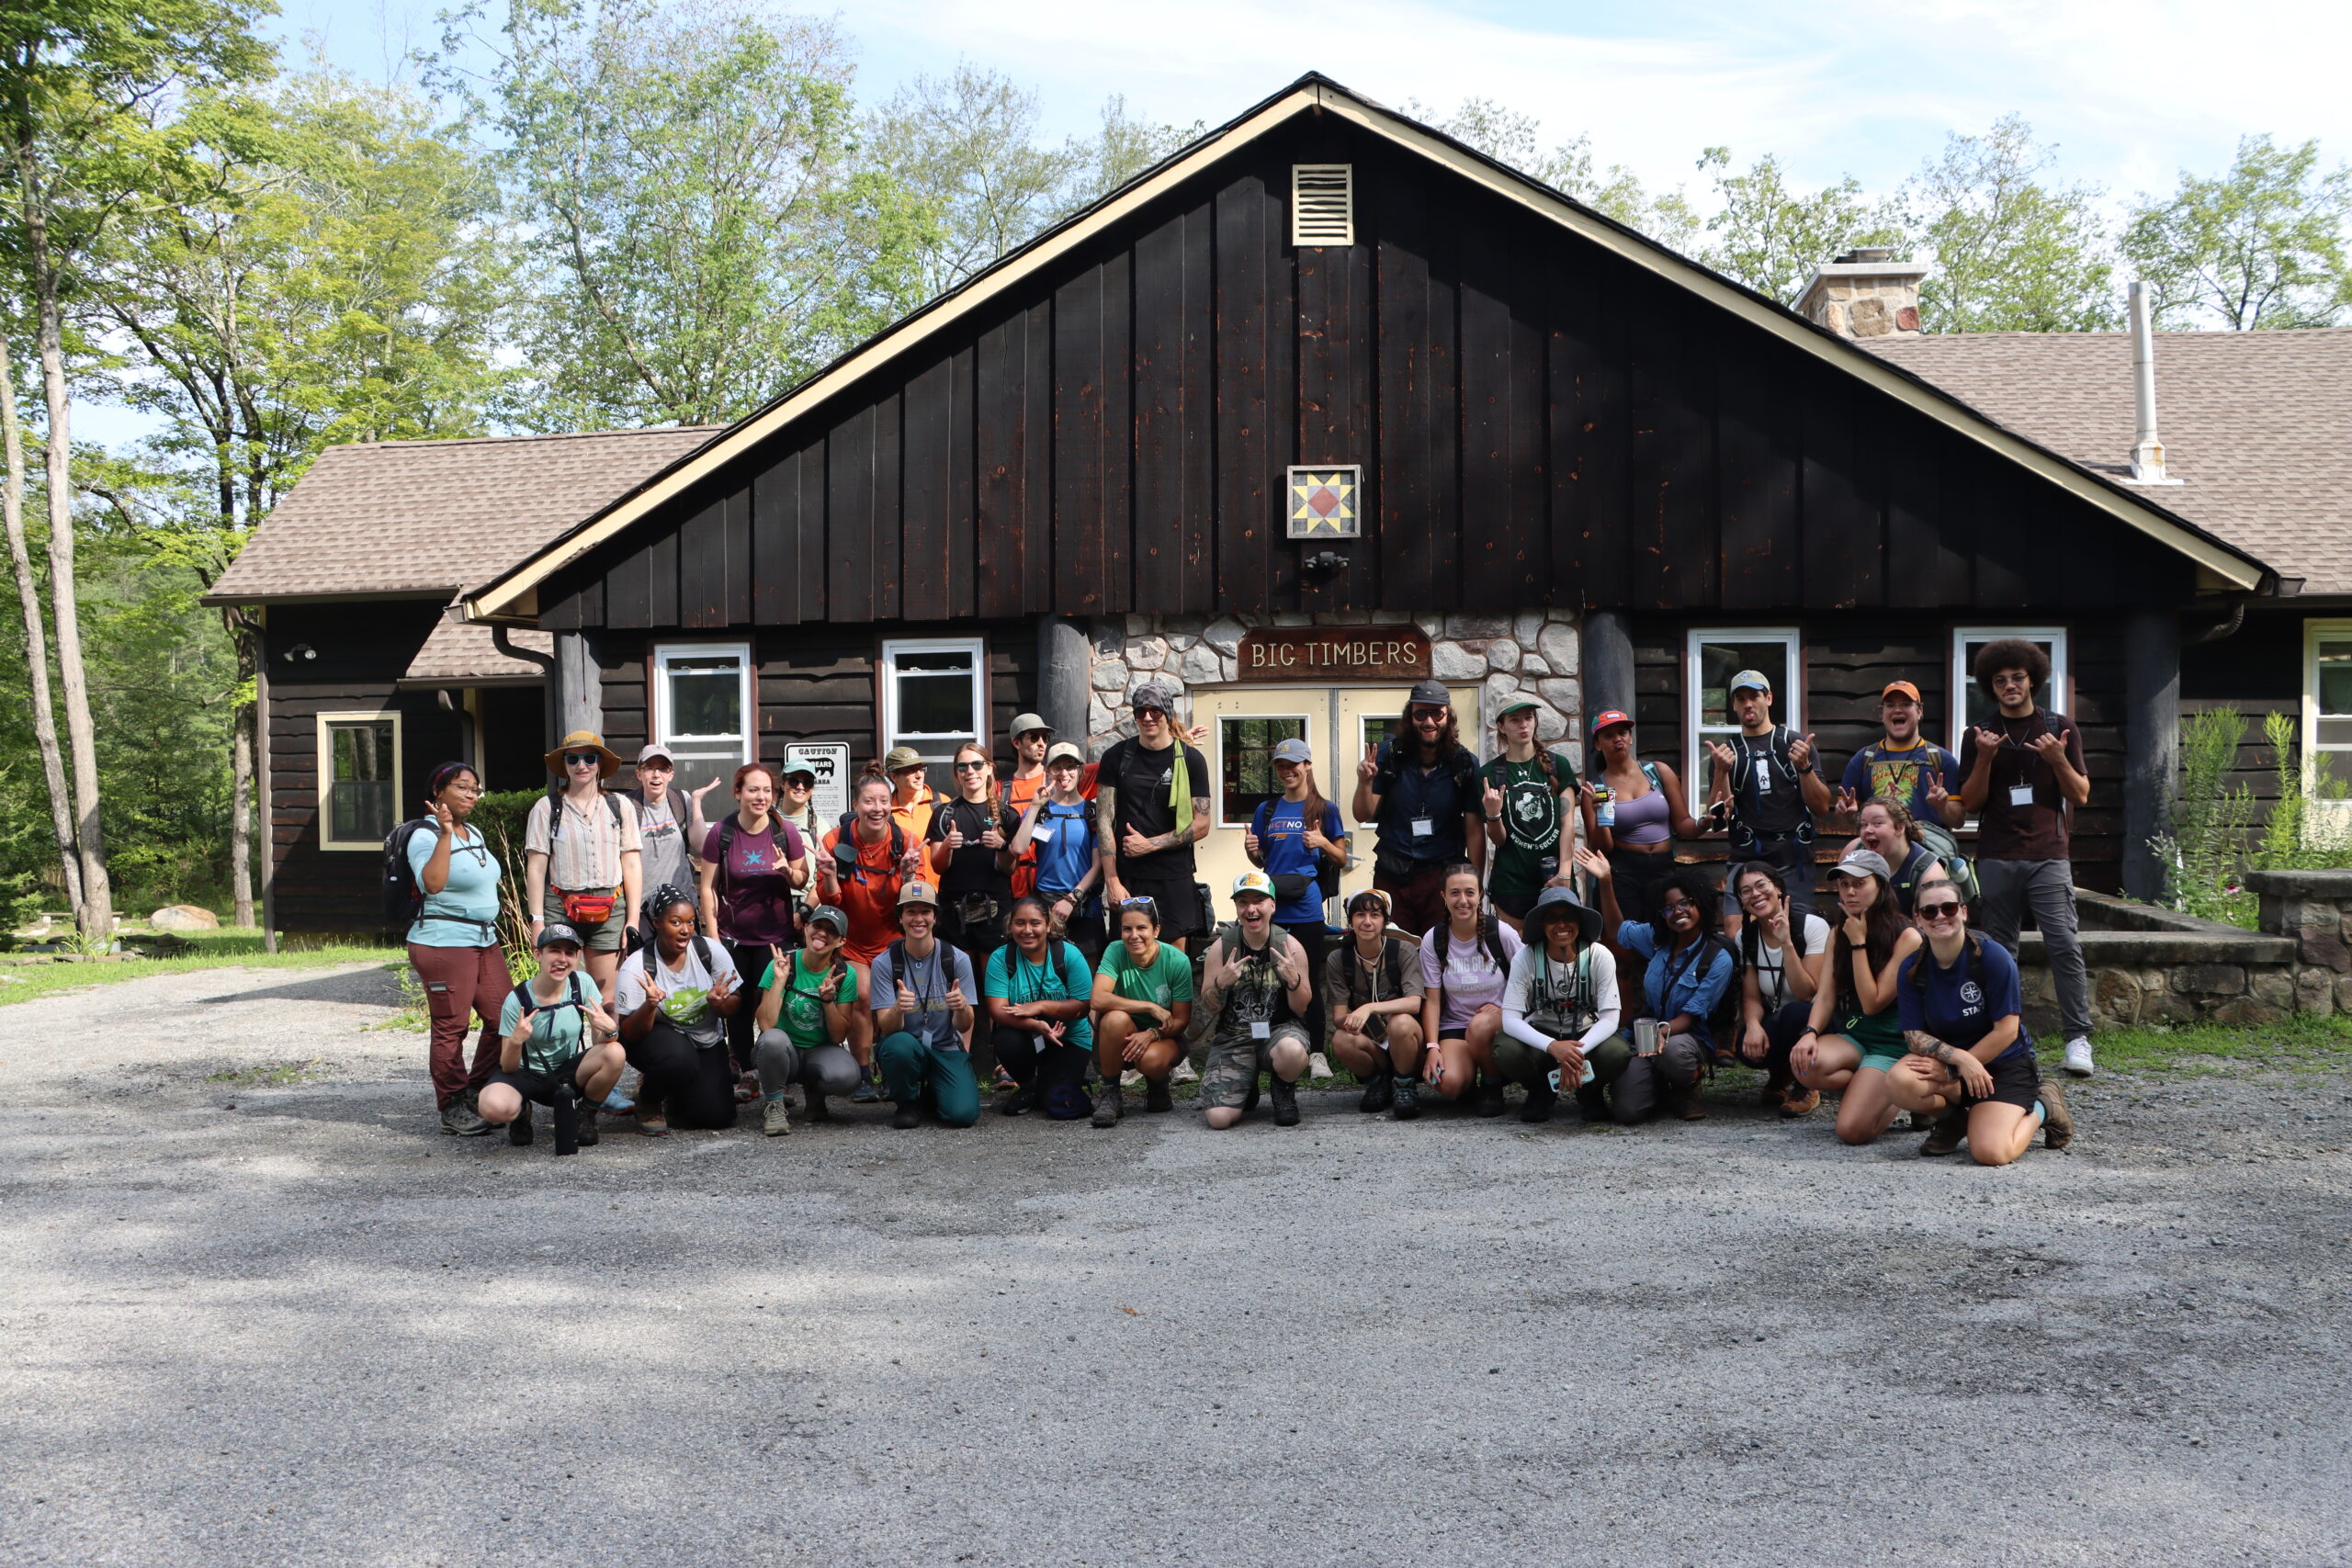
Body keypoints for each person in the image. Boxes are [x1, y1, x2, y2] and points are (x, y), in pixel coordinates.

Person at [1958, 637, 2095, 1079]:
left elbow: (2081, 794)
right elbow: (1972, 803)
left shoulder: (2060, 727)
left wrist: (2057, 758)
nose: (2010, 686)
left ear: (2033, 679)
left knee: (2064, 945)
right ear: (1990, 686)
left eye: (2017, 678)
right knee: (1999, 952)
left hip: (2048, 856)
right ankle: (2004, 1036)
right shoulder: (1978, 734)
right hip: (1997, 855)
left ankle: (2078, 1038)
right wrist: (1984, 758)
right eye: (2000, 680)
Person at [1888, 886, 2074, 1163]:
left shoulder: (1992, 957)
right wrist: (1957, 1062)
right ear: (1918, 919)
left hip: (2003, 1065)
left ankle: (2044, 1104)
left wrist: (1958, 1067)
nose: (1940, 916)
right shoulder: (1913, 968)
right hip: (1955, 1064)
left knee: (1992, 1153)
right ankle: (1955, 1120)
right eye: (1929, 911)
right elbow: (1914, 1036)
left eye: (1948, 908)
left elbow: (2007, 1031)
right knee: (1899, 1082)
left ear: (1963, 912)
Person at [1579, 855, 1736, 1124]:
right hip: (1646, 1038)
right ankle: (1659, 1086)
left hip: (1688, 1040)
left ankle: (1688, 1083)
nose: (1677, 912)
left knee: (1674, 1052)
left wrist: (1661, 1033)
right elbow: (1617, 930)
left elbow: (1691, 1016)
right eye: (1668, 908)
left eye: (1684, 903)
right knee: (1628, 1111)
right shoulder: (1657, 939)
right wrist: (1605, 881)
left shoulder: (1718, 958)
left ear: (1700, 903)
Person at [1789, 850, 1924, 1147]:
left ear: (1881, 886)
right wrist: (1809, 1034)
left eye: (1859, 884)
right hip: (1857, 1035)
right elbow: (1825, 996)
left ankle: (1895, 1093)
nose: (1850, 892)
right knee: (1804, 1063)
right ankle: (1870, 1086)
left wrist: (1859, 943)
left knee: (1851, 1132)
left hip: (1892, 1042)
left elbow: (1873, 1003)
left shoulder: (1908, 937)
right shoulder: (1838, 933)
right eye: (1844, 884)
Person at [404, 761, 510, 1136]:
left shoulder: (475, 831)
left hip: (483, 939)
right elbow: (432, 884)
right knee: (452, 1027)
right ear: (439, 792)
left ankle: (476, 1090)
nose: (470, 794)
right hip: (443, 943)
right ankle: (452, 1105)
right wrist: (445, 833)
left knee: (506, 1018)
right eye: (462, 787)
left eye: (475, 789)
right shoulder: (424, 836)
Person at [697, 762, 808, 1098]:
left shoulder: (784, 831)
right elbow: (707, 887)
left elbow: (803, 880)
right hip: (733, 936)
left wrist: (787, 870)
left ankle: (778, 1073)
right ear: (738, 793)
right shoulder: (722, 832)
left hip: (775, 937)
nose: (761, 797)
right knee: (738, 1007)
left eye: (766, 791)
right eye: (753, 790)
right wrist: (714, 938)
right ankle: (748, 1072)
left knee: (774, 1003)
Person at [818, 769, 927, 1094]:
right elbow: (832, 901)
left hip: (893, 939)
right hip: (853, 941)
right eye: (869, 801)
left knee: (897, 1001)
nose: (877, 808)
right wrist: (828, 875)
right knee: (862, 997)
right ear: (856, 804)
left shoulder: (906, 841)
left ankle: (896, 1071)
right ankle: (864, 1074)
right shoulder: (836, 840)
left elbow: (914, 902)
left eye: (883, 800)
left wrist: (909, 876)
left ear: (891, 805)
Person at [1353, 678, 1484, 937]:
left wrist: (1474, 884)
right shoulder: (1390, 755)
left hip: (1442, 877)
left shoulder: (1465, 763)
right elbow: (1362, 813)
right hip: (1393, 873)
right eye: (1421, 714)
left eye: (1437, 713)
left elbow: (1474, 830)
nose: (1429, 722)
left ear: (1448, 716)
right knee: (1392, 951)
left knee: (1440, 950)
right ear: (1409, 716)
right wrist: (1365, 782)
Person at [477, 922, 627, 1147]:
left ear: (577, 958)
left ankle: (585, 1114)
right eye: (554, 950)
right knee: (493, 1107)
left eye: (569, 952)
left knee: (615, 1052)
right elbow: (508, 1067)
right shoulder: (517, 999)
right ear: (538, 954)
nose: (562, 959)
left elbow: (601, 1044)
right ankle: (521, 1113)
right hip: (526, 1075)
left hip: (567, 1073)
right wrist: (516, 1042)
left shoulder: (581, 984)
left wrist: (609, 1030)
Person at [523, 728, 643, 1003]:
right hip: (561, 907)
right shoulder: (547, 808)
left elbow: (632, 865)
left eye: (589, 758)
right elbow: (536, 868)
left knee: (607, 996)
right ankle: (568, 1047)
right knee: (560, 993)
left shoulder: (620, 806)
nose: (581, 766)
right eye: (572, 759)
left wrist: (632, 920)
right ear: (563, 766)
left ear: (600, 764)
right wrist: (537, 921)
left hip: (610, 908)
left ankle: (605, 1048)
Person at [1244, 736, 1346, 1055]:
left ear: (1308, 765)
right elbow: (1264, 863)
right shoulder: (1267, 808)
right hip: (1271, 906)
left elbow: (1342, 858)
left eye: (1293, 765)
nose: (1287, 771)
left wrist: (1323, 843)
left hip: (1307, 908)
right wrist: (1251, 852)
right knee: (1270, 980)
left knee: (1307, 979)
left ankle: (1316, 1053)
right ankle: (1275, 1049)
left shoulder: (1325, 809)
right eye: (1281, 766)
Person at [616, 883, 746, 1134]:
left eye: (690, 922)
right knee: (678, 1060)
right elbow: (628, 1034)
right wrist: (649, 1006)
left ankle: (675, 1091)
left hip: (706, 1041)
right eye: (675, 922)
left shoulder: (710, 951)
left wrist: (720, 1004)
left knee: (716, 1116)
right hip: (663, 1042)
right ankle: (649, 1099)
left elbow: (735, 1001)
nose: (686, 930)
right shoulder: (637, 967)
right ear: (656, 923)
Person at [1703, 671, 1831, 918]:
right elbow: (1718, 821)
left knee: (1794, 930)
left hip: (1793, 860)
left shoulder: (1796, 744)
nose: (1748, 704)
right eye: (1740, 699)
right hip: (1746, 859)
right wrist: (1721, 773)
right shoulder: (1726, 753)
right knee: (1735, 931)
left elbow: (1822, 808)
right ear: (1734, 705)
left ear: (1769, 698)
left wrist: (1804, 767)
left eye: (1754, 696)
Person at [1098, 681, 1212, 950]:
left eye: (1155, 711)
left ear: (1168, 713)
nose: (1147, 717)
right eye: (1141, 711)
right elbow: (1104, 821)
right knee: (1129, 961)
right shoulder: (1116, 757)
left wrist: (1149, 845)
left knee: (1174, 963)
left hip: (1175, 877)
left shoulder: (1191, 759)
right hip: (1129, 879)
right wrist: (1112, 880)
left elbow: (1202, 824)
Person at [1196, 873, 1317, 1129]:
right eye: (1243, 902)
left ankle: (1283, 1088)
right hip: (1234, 1036)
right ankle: (1246, 1083)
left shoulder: (1291, 947)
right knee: (1218, 1119)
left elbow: (1301, 1007)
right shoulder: (1221, 948)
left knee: (1292, 1052)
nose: (1251, 909)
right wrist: (1222, 983)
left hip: (1279, 1032)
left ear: (1272, 905)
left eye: (1259, 901)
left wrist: (1293, 981)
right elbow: (1209, 1005)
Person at [1494, 886, 1622, 1123]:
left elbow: (1610, 1018)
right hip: (1542, 1035)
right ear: (1542, 925)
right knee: (1506, 1049)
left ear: (1580, 921)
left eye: (1568, 917)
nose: (1561, 925)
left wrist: (1575, 1053)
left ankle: (1590, 1092)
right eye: (1552, 919)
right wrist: (1553, 1046)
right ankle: (1540, 1090)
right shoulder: (1526, 957)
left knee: (1618, 1052)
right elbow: (1510, 1020)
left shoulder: (1600, 955)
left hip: (1586, 1035)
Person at [1415, 863, 1522, 1119]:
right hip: (1456, 1025)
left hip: (1497, 1021)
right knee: (1447, 1083)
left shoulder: (1501, 933)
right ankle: (1468, 1084)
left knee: (1481, 1025)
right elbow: (1432, 999)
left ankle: (1492, 1085)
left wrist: (1506, 1008)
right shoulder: (1434, 939)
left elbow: (1527, 980)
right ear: (1443, 897)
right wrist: (1432, 1047)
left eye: (1470, 892)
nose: (1462, 900)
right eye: (1454, 893)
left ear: (1480, 896)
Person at [871, 881, 980, 1129]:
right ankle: (907, 1101)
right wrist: (898, 1007)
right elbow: (886, 1028)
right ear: (900, 918)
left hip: (944, 1049)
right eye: (911, 911)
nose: (918, 919)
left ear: (935, 917)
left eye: (925, 911)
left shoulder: (957, 959)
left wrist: (962, 1006)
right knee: (899, 1046)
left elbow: (964, 1025)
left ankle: (933, 1093)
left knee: (963, 1115)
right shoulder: (885, 963)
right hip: (906, 1048)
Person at [749, 904, 865, 1137]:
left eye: (830, 931)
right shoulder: (780, 964)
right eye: (817, 926)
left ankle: (815, 1094)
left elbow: (838, 1036)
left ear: (841, 941)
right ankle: (774, 1104)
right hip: (784, 1050)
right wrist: (779, 981)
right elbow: (766, 1026)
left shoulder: (845, 973)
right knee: (772, 1041)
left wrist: (828, 1002)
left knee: (847, 1077)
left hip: (818, 1050)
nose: (822, 933)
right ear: (806, 928)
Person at [1585, 710, 1709, 926]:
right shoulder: (1595, 789)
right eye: (1608, 735)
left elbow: (1683, 825)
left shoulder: (1658, 771)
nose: (1617, 739)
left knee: (1668, 933)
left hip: (1664, 868)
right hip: (1623, 872)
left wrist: (1703, 823)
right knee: (1627, 941)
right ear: (1597, 744)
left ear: (1631, 737)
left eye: (1623, 732)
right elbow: (1602, 849)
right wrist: (1602, 815)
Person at [1732, 860, 1831, 1118]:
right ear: (1742, 902)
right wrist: (1753, 1025)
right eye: (1746, 891)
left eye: (1761, 885)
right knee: (1746, 1043)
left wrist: (1786, 943)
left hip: (1816, 1020)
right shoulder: (1747, 936)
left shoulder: (1810, 925)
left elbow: (1807, 993)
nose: (1755, 894)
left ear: (1777, 887)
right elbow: (1752, 995)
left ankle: (1807, 1083)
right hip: (1778, 1014)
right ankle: (1781, 1073)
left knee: (1796, 1012)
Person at [984, 896, 1097, 1118]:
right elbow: (997, 1010)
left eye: (1035, 923)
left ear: (1048, 924)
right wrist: (1036, 1025)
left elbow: (1083, 1007)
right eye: (1020, 923)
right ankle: (1028, 1085)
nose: (1027, 930)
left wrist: (1041, 1006)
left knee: (1057, 1105)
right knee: (1005, 1039)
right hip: (1027, 1036)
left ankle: (1044, 1088)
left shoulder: (1068, 954)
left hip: (1069, 1039)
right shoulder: (1001, 958)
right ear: (1010, 925)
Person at [1480, 698, 1586, 932]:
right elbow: (1499, 840)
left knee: (1563, 954)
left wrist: (1565, 874)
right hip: (1512, 885)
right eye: (1515, 720)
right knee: (1516, 958)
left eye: (1528, 718)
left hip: (1557, 878)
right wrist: (1493, 814)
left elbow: (1567, 824)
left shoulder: (1559, 765)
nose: (1523, 725)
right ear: (1501, 726)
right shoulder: (1490, 774)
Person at [1090, 897, 1195, 1127]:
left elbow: (1181, 1020)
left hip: (1165, 1035)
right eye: (1127, 929)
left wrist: (1152, 1034)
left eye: (1141, 928)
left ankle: (1158, 1085)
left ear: (1156, 930)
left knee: (1150, 1060)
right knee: (1113, 1019)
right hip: (1124, 1032)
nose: (1133, 935)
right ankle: (1110, 1093)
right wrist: (1150, 1006)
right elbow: (1097, 999)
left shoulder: (1177, 961)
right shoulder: (1115, 951)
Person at [1324, 889, 1427, 1116]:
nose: (1367, 922)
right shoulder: (1339, 959)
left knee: (1401, 1023)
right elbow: (1339, 1016)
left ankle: (1404, 1084)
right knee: (1341, 1039)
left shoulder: (1403, 950)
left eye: (1375, 915)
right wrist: (1352, 1021)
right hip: (1371, 1040)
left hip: (1407, 1039)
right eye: (1360, 915)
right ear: (1350, 920)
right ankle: (1378, 1082)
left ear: (1385, 921)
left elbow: (1414, 1004)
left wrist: (1369, 1007)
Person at [1009, 741, 1107, 962]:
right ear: (1049, 772)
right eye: (1058, 767)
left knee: (1086, 976)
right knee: (1050, 973)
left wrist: (1072, 899)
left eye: (1071, 767)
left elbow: (1098, 864)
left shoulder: (1092, 811)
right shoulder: (1041, 810)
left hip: (1084, 905)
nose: (1064, 773)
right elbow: (1018, 848)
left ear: (1081, 770)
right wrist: (1034, 806)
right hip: (1047, 907)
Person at [926, 741, 1020, 972]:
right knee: (961, 985)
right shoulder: (944, 813)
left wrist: (1002, 846)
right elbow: (938, 867)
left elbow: (1010, 868)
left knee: (994, 986)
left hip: (995, 912)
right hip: (954, 912)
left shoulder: (1007, 814)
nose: (970, 771)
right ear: (956, 773)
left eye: (977, 765)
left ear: (989, 768)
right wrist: (948, 845)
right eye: (963, 767)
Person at [1836, 681, 1964, 846]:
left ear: (1919, 711)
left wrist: (1942, 806)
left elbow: (1958, 821)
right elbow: (1846, 820)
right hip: (1878, 852)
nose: (1897, 709)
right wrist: (1846, 814)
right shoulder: (1863, 758)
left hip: (1927, 851)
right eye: (1890, 705)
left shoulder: (1941, 759)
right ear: (1882, 714)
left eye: (1905, 704)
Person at [623, 742, 697, 897]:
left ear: (671, 775)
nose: (656, 774)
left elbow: (701, 844)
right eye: (649, 768)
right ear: (639, 774)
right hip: (641, 906)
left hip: (681, 904)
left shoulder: (683, 800)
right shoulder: (626, 805)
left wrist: (697, 801)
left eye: (663, 768)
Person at [1853, 797, 1940, 917]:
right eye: (1863, 824)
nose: (1868, 830)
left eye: (1877, 823)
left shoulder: (1928, 874)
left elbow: (1932, 928)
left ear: (1900, 828)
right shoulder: (1853, 853)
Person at [883, 746, 940, 843]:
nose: (919, 775)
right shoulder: (884, 810)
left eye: (921, 768)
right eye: (910, 770)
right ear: (894, 777)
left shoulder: (941, 802)